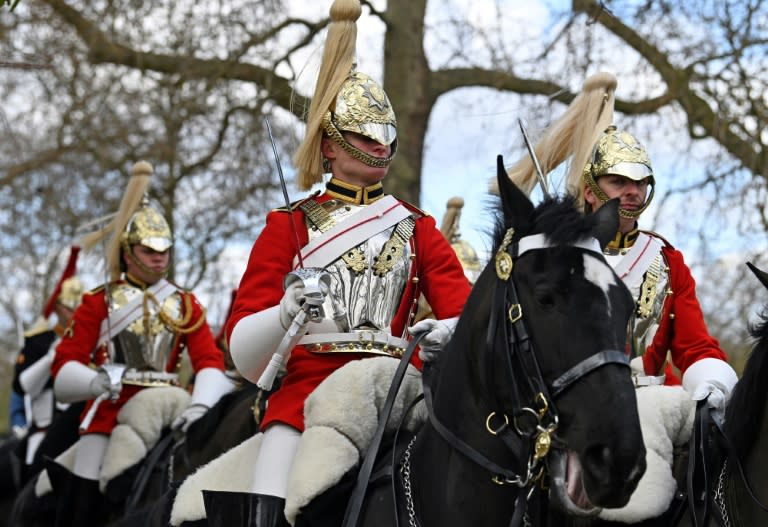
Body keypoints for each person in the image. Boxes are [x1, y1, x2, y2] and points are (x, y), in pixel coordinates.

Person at [217, 1, 472, 525]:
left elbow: (465, 311)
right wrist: (287, 310)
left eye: (383, 136)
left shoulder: (417, 226)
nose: (377, 146)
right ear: (329, 144)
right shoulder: (288, 223)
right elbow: (242, 346)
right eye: (362, 135)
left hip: (398, 387)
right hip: (306, 395)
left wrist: (445, 331)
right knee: (270, 502)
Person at [506, 72, 738, 519]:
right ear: (592, 187)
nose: (632, 192)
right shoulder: (553, 256)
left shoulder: (666, 259)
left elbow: (693, 346)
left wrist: (710, 381)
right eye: (618, 181)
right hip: (565, 399)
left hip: (648, 402)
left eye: (640, 182)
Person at [49, 160, 234, 527]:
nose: (159, 256)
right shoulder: (99, 301)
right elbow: (64, 363)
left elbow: (209, 361)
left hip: (171, 408)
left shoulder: (185, 303)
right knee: (81, 494)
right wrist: (95, 382)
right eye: (149, 249)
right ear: (129, 250)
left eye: (164, 249)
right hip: (111, 410)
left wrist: (200, 407)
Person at [12, 245, 83, 480]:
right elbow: (22, 387)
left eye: (78, 308)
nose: (73, 313)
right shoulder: (38, 341)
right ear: (59, 307)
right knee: (30, 473)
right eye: (69, 307)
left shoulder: (87, 340)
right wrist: (51, 357)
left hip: (79, 429)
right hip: (44, 429)